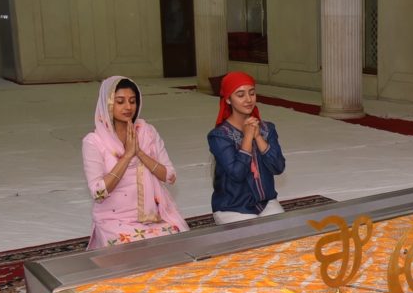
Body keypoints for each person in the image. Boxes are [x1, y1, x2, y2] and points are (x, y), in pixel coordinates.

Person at [82, 77, 188, 249]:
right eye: (120, 101)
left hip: (152, 216)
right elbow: (99, 193)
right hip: (113, 219)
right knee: (131, 249)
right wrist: (127, 156)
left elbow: (170, 176)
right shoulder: (94, 141)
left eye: (132, 101)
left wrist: (139, 153)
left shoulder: (147, 132)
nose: (128, 107)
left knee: (176, 243)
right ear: (107, 104)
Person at [208, 71, 286, 224]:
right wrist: (248, 138)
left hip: (265, 203)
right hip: (232, 206)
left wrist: (258, 136)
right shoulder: (219, 136)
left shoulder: (267, 129)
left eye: (252, 93)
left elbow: (278, 167)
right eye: (240, 95)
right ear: (228, 100)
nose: (248, 100)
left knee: (286, 237)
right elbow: (237, 174)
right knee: (253, 241)